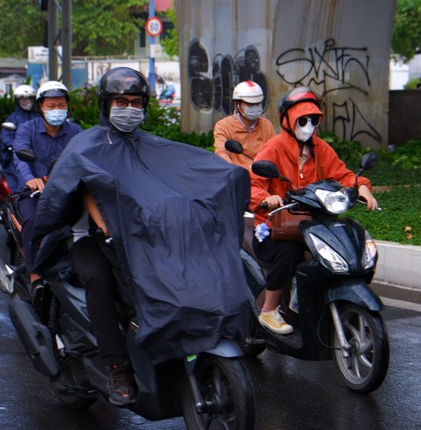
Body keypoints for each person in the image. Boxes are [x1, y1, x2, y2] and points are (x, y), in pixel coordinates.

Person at [32, 67, 251, 407]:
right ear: (107, 105)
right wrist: (101, 217)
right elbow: (65, 197)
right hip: (89, 241)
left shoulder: (151, 146)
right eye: (121, 101)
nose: (129, 108)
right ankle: (117, 366)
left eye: (136, 102)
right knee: (100, 279)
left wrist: (229, 179)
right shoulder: (83, 147)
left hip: (139, 237)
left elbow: (186, 173)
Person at [249, 86, 379, 334]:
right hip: (274, 228)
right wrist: (267, 198)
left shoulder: (320, 149)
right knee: (289, 253)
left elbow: (343, 174)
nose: (308, 125)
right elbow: (252, 183)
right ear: (287, 120)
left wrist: (362, 187)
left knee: (344, 248)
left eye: (313, 120)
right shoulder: (273, 149)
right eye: (302, 119)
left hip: (313, 226)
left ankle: (311, 306)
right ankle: (269, 311)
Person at [13, 81, 81, 289]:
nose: (57, 110)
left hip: (67, 193)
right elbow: (20, 158)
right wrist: (30, 179)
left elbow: (85, 158)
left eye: (61, 105)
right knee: (34, 221)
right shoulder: (27, 129)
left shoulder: (75, 131)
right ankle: (35, 272)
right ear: (41, 107)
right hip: (34, 193)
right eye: (51, 106)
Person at [213, 80, 275, 169]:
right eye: (250, 104)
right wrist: (232, 171)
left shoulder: (266, 125)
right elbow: (221, 152)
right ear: (237, 104)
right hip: (236, 176)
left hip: (262, 176)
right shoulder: (224, 126)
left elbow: (274, 151)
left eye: (258, 103)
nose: (255, 107)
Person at [0, 84, 40, 192]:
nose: (26, 101)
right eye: (22, 98)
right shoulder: (12, 119)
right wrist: (17, 146)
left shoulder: (40, 117)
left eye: (29, 98)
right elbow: (6, 137)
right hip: (19, 155)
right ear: (17, 101)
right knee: (19, 183)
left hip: (39, 155)